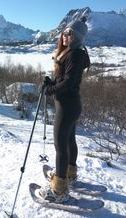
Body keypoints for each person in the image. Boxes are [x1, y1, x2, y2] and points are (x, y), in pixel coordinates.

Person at [40, 16, 90, 203]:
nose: (64, 35)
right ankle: (69, 173)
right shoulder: (71, 53)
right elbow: (64, 79)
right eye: (64, 32)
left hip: (67, 106)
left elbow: (69, 83)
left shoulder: (75, 55)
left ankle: (59, 191)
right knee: (69, 142)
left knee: (60, 146)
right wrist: (50, 82)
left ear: (76, 37)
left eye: (69, 33)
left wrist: (49, 90)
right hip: (71, 105)